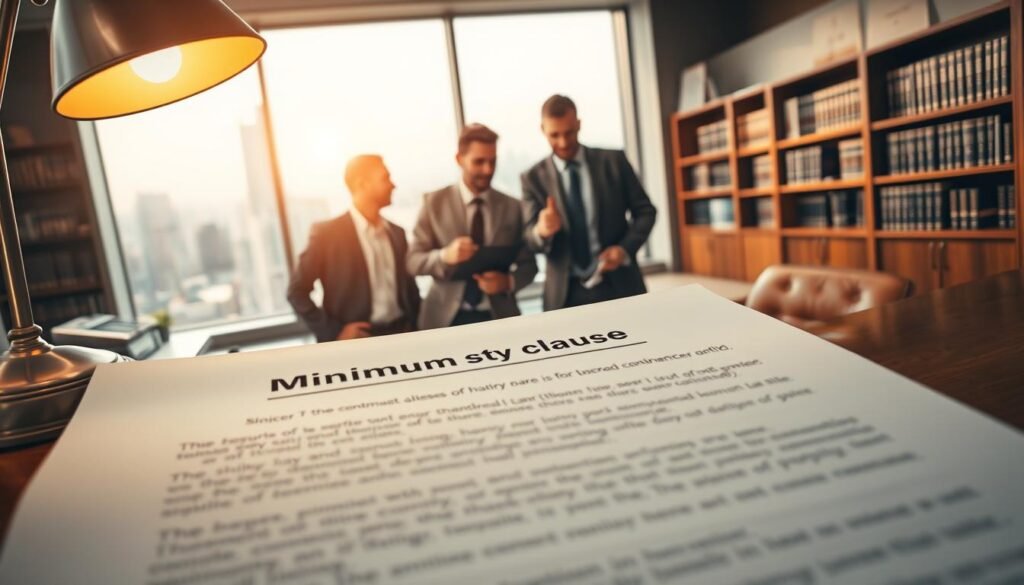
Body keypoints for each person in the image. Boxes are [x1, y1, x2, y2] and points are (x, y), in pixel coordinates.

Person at [522, 94, 657, 311]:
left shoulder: (614, 162)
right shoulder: (532, 178)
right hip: (564, 295)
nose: (563, 142)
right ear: (542, 130)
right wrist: (542, 230)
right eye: (554, 135)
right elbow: (529, 238)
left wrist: (623, 250)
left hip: (619, 284)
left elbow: (645, 212)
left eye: (569, 132)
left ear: (578, 124)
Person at [408, 123, 537, 328]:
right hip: (443, 318)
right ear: (459, 159)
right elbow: (413, 261)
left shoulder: (514, 207)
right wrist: (444, 256)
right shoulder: (433, 203)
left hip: (499, 316)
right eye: (479, 162)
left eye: (492, 162)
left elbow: (529, 264)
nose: (487, 170)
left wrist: (507, 282)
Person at [287, 154, 420, 342]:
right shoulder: (326, 234)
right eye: (385, 178)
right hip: (356, 342)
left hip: (402, 334)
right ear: (362, 184)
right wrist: (335, 332)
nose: (393, 185)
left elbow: (409, 288)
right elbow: (297, 291)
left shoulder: (396, 233)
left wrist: (415, 325)